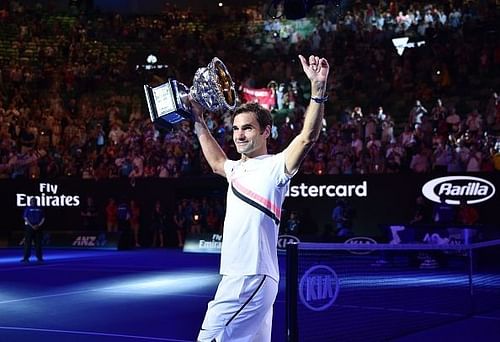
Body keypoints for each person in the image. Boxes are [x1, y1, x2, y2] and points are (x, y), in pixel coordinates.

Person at [192, 54, 329, 342]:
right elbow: (218, 162)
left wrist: (317, 89)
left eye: (248, 128)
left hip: (250, 276)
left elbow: (307, 137)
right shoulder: (236, 168)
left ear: (266, 131)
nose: (240, 135)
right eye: (236, 129)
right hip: (238, 276)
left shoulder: (276, 166)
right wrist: (198, 120)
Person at [21, 198, 45, 263]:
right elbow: (26, 218)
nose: (33, 202)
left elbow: (43, 218)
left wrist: (38, 225)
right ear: (30, 202)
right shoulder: (27, 208)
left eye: (34, 201)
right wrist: (32, 226)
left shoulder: (40, 208)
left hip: (37, 228)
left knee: (38, 243)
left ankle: (39, 258)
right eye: (32, 201)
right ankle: (26, 258)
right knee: (28, 243)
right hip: (30, 227)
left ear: (36, 202)